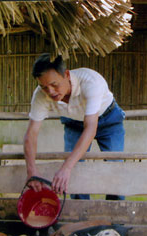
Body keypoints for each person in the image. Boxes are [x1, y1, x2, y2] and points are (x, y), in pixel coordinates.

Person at [24, 53, 125, 200]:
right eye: (44, 87)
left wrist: (66, 167)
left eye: (54, 84)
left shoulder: (91, 82)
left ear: (66, 74)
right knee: (74, 169)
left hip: (108, 119)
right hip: (74, 123)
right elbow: (31, 133)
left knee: (115, 166)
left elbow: (90, 127)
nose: (50, 91)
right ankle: (79, 216)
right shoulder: (40, 95)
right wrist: (31, 170)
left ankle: (116, 217)